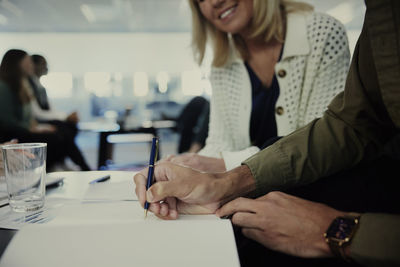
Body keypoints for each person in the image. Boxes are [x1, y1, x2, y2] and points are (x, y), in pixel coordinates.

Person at [134, 0, 400, 266]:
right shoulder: (223, 58)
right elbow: (350, 123)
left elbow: (329, 147)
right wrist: (195, 175)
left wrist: (224, 172)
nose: (214, 1)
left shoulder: (320, 33)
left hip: (321, 200)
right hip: (260, 199)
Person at [168, 0, 350, 172]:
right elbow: (219, 146)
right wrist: (179, 166)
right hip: (253, 199)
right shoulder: (222, 64)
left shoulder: (322, 33)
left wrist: (226, 165)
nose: (214, 2)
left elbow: (319, 147)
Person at [0, 49, 90, 171]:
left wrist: (37, 127)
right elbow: (7, 121)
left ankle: (65, 166)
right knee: (59, 137)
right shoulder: (4, 87)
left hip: (26, 130)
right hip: (16, 134)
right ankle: (81, 168)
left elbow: (30, 116)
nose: (31, 65)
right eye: (28, 62)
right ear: (18, 64)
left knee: (63, 133)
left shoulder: (22, 85)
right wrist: (33, 129)